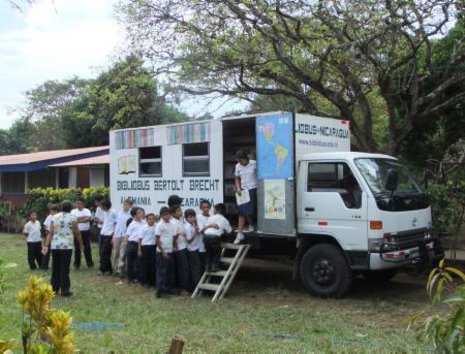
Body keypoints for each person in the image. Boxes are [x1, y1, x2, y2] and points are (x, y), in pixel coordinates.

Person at [42, 201, 84, 297]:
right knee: (65, 268)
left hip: (55, 246)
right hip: (67, 246)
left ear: (61, 208)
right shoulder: (72, 217)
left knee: (55, 268)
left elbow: (50, 233)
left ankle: (53, 289)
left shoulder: (54, 217)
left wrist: (46, 246)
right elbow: (77, 232)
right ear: (70, 208)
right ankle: (65, 290)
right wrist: (81, 244)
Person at [234, 150, 258, 244]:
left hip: (253, 188)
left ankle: (251, 224)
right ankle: (240, 233)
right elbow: (236, 178)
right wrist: (238, 187)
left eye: (241, 160)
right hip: (243, 190)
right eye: (238, 161)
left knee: (248, 210)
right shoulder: (237, 166)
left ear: (245, 158)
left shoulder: (254, 164)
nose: (239, 163)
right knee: (241, 211)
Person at [168, 195, 189, 295]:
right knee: (182, 269)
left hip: (184, 246)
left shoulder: (180, 220)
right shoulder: (173, 222)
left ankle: (183, 287)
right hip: (179, 249)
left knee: (183, 269)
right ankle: (182, 288)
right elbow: (172, 237)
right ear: (172, 213)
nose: (181, 212)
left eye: (181, 210)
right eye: (179, 210)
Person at [203, 203, 233, 272]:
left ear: (218, 211)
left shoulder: (211, 217)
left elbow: (207, 227)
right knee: (217, 252)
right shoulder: (224, 220)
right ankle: (215, 267)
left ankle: (207, 267)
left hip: (206, 236)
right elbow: (230, 231)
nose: (213, 211)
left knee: (208, 252)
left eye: (214, 209)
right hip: (214, 237)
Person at [155, 206, 176, 298]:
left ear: (170, 214)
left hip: (170, 250)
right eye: (164, 215)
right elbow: (157, 239)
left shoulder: (172, 224)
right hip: (162, 251)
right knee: (162, 272)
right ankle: (161, 291)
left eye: (167, 214)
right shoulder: (160, 225)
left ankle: (168, 289)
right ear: (161, 216)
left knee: (169, 272)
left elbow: (173, 237)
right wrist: (163, 251)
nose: (166, 216)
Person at [71, 198, 94, 269]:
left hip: (85, 232)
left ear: (83, 204)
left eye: (80, 203)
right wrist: (83, 218)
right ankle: (77, 264)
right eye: (77, 203)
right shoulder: (73, 211)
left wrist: (78, 220)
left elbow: (89, 218)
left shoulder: (87, 210)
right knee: (77, 248)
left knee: (87, 248)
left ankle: (89, 263)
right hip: (76, 232)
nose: (78, 205)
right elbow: (72, 220)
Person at [113, 198, 134, 276]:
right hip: (117, 234)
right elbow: (116, 224)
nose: (124, 206)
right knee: (116, 252)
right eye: (124, 204)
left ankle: (120, 268)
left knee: (122, 253)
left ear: (130, 205)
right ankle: (115, 267)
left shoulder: (131, 215)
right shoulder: (119, 213)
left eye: (126, 205)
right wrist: (113, 235)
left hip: (125, 235)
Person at [125, 207, 146, 283]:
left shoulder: (144, 222)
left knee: (138, 262)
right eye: (139, 212)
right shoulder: (132, 224)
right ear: (135, 215)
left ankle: (137, 277)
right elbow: (127, 236)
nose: (142, 214)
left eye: (141, 212)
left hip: (140, 244)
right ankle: (130, 278)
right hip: (132, 243)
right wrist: (127, 246)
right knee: (130, 262)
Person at [98, 199, 118, 275]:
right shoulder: (104, 212)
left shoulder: (114, 212)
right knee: (101, 252)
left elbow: (117, 224)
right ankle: (108, 269)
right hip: (103, 232)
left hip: (110, 234)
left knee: (105, 252)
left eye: (102, 206)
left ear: (106, 206)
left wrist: (114, 235)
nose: (101, 208)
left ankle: (102, 269)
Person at [184, 208, 203, 291]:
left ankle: (197, 285)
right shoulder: (187, 227)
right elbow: (189, 240)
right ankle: (195, 286)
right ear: (186, 218)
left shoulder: (194, 225)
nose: (192, 218)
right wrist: (195, 232)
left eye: (193, 217)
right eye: (190, 217)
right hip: (191, 249)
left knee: (198, 267)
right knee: (195, 268)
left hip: (197, 248)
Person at [138, 213, 157, 287]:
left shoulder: (156, 227)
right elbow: (140, 239)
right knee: (144, 265)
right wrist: (139, 250)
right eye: (150, 219)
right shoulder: (143, 227)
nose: (151, 220)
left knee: (152, 265)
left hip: (153, 247)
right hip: (145, 247)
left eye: (153, 219)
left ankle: (152, 281)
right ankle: (144, 281)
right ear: (147, 220)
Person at [42, 204, 59, 270]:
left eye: (52, 211)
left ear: (56, 211)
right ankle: (44, 266)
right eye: (50, 211)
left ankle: (54, 266)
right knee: (45, 250)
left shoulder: (59, 217)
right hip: (48, 235)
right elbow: (45, 225)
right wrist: (46, 230)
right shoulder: (49, 217)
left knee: (54, 252)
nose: (50, 212)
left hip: (55, 236)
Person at [196, 200, 211, 271]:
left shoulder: (212, 217)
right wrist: (210, 226)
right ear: (201, 208)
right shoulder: (199, 217)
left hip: (211, 247)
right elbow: (201, 231)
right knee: (202, 267)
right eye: (204, 207)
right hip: (202, 247)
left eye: (207, 207)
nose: (206, 209)